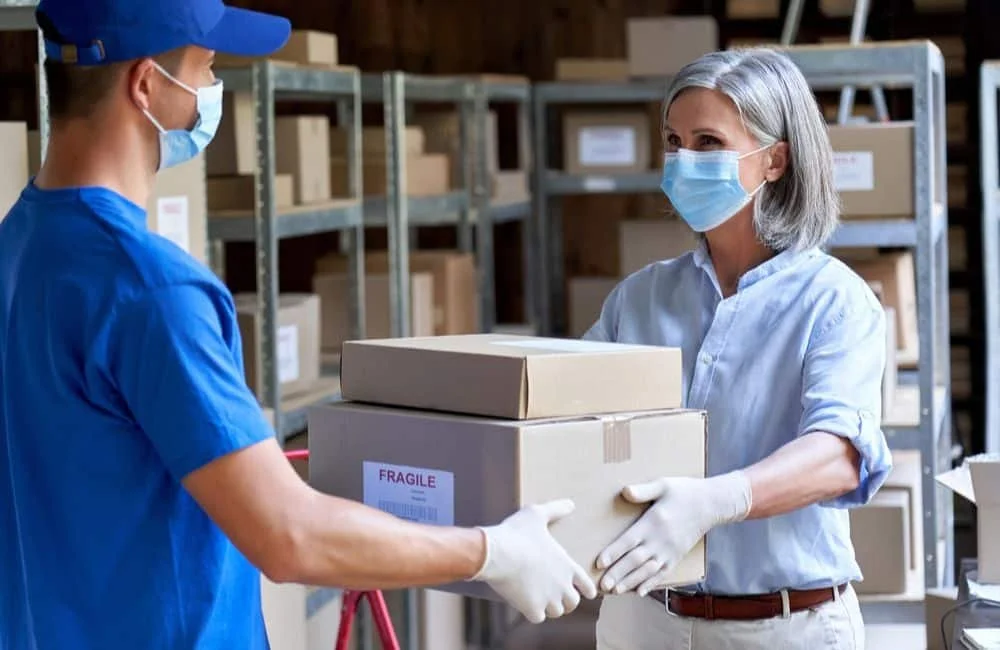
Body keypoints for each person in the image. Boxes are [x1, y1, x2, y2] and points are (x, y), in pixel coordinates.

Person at [0, 0, 597, 647]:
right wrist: (494, 552)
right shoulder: (150, 289)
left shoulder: (17, 248)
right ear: (146, 86)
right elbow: (288, 536)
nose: (210, 92)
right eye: (206, 69)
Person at [586, 47, 893, 649]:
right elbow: (567, 425)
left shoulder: (834, 302)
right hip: (644, 620)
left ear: (774, 159)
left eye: (708, 143)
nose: (683, 161)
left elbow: (840, 456)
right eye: (673, 142)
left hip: (784, 625)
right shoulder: (640, 298)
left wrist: (714, 501)